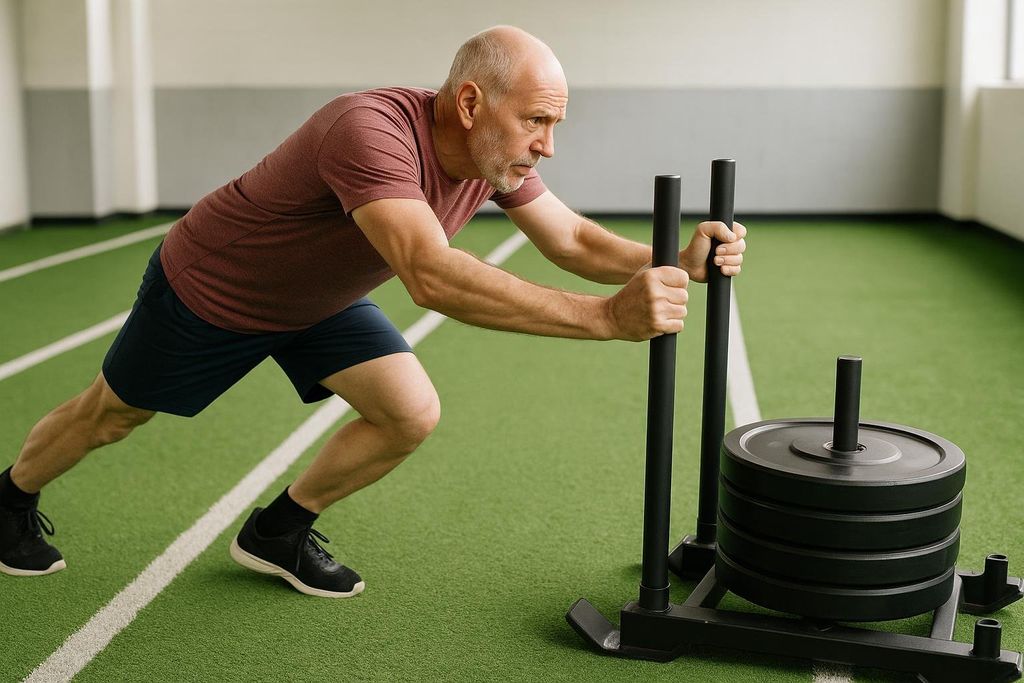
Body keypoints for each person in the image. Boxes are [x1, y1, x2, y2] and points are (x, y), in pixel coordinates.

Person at [0, 26, 746, 597]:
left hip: (317, 301)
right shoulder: (370, 130)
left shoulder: (493, 155)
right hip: (213, 289)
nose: (547, 146)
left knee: (407, 411)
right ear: (469, 104)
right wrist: (604, 318)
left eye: (554, 126)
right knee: (111, 415)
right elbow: (429, 274)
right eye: (537, 122)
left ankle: (278, 531)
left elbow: (572, 237)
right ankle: (10, 494)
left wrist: (673, 258)